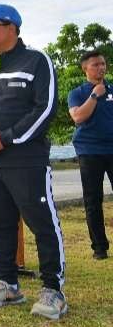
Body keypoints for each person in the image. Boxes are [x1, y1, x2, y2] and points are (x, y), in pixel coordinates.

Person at [0, 4, 67, 320]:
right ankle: (7, 284)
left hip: (26, 160)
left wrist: (6, 137)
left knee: (41, 221)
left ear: (11, 26)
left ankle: (53, 290)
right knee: (1, 222)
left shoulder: (36, 61)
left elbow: (44, 108)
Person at [67, 50, 113, 260]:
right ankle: (99, 247)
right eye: (95, 65)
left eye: (103, 64)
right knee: (93, 200)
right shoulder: (77, 93)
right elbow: (78, 117)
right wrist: (95, 94)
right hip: (89, 151)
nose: (101, 68)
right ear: (85, 68)